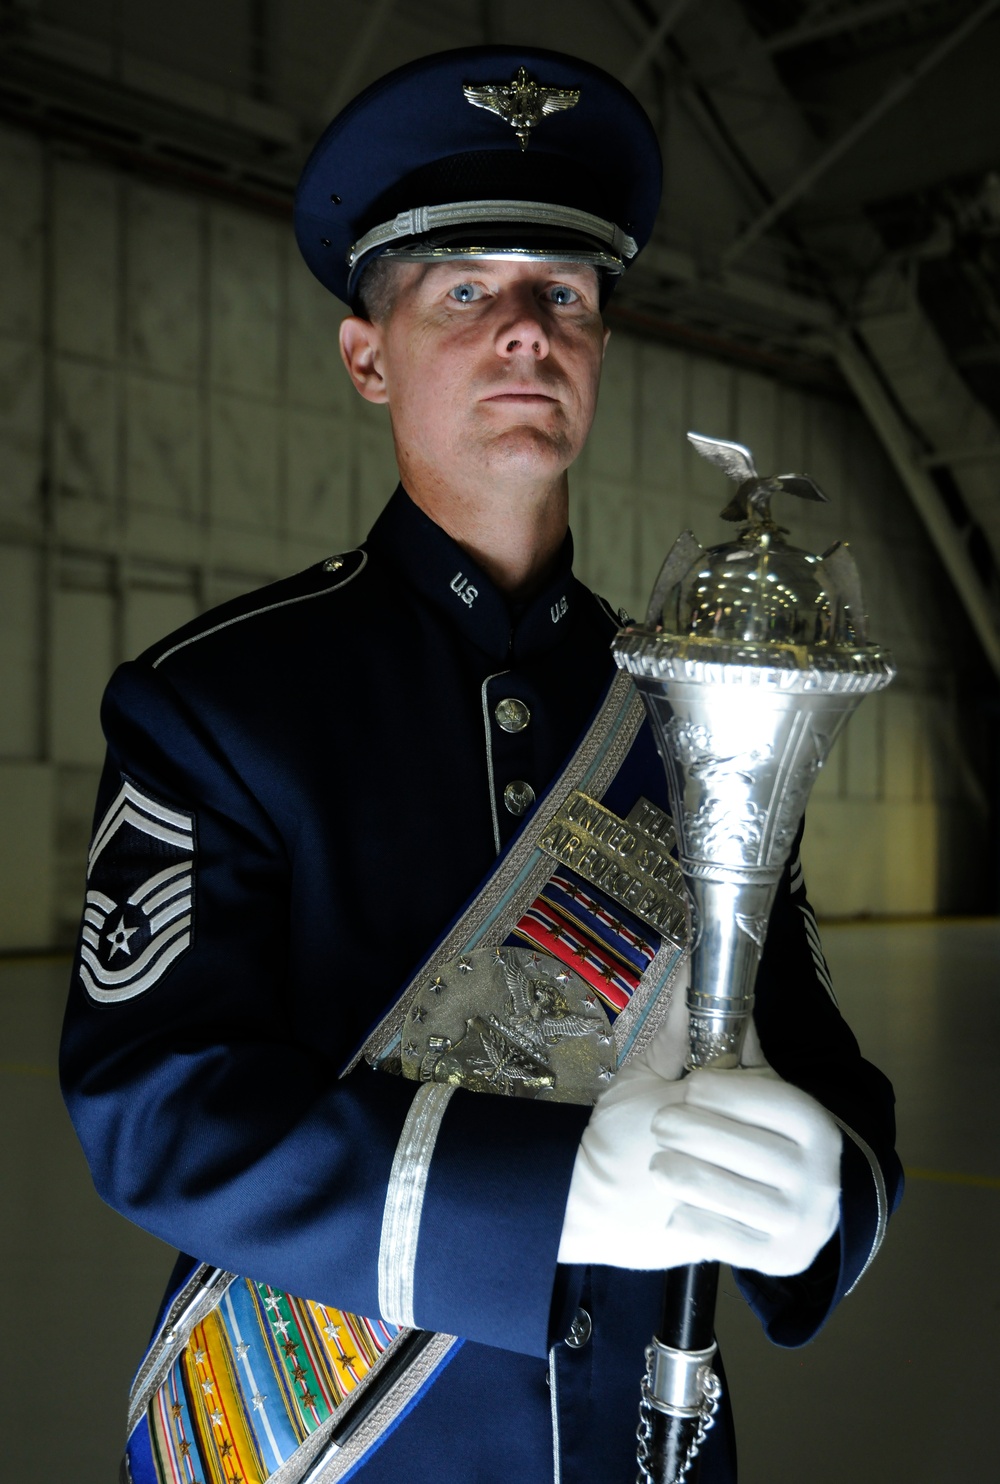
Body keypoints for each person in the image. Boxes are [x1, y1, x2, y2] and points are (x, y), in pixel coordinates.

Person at [60, 44, 902, 1484]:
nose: (527, 329)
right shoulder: (218, 702)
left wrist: (831, 1183)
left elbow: (800, 1037)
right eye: (468, 292)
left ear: (599, 345)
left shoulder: (700, 708)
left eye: (563, 294)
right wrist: (552, 1193)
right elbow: (158, 1112)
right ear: (366, 354)